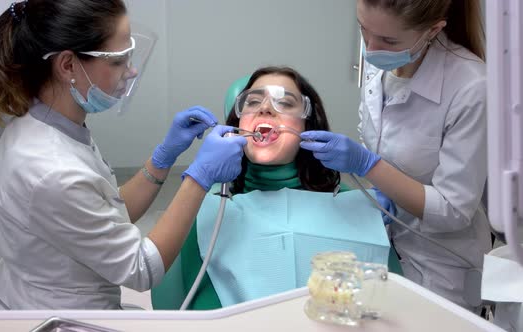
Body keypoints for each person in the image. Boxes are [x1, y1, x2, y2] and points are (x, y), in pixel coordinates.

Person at [0, 0, 246, 310]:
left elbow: (109, 212)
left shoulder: (51, 124)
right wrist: (199, 179)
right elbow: (142, 269)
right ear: (67, 65)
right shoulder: (50, 168)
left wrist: (162, 160)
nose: (131, 71)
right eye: (120, 60)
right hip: (55, 316)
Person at [152, 66, 398, 310]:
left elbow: (387, 302)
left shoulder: (351, 204)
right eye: (253, 102)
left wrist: (370, 220)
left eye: (285, 103)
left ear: (307, 126)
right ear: (238, 123)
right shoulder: (206, 205)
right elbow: (189, 302)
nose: (265, 108)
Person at [299, 0, 489, 310]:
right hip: (384, 248)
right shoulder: (379, 61)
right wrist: (379, 188)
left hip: (442, 266)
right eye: (364, 30)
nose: (371, 50)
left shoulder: (472, 87)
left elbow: (453, 210)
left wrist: (367, 165)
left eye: (388, 41)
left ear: (433, 30)